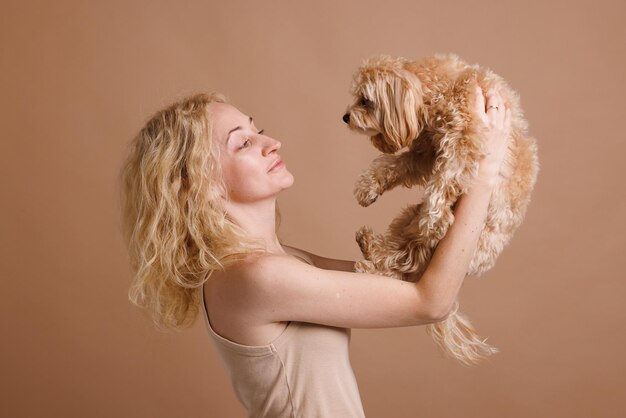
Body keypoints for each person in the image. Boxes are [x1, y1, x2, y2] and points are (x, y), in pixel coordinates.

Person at [120, 86, 511, 418]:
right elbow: (430, 302)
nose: (271, 143)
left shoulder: (284, 262)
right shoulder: (254, 276)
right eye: (242, 142)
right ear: (196, 185)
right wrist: (485, 170)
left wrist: (450, 157)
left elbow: (409, 279)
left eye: (259, 131)